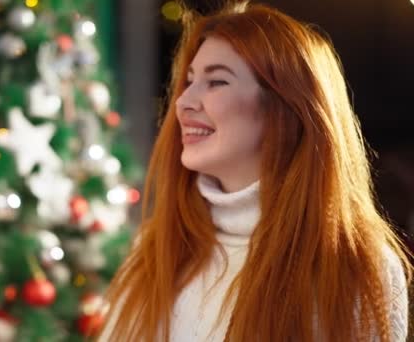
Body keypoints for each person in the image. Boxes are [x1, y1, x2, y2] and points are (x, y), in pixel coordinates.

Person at [96, 1, 412, 341]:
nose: (184, 102)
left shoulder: (354, 265)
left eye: (216, 82)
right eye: (189, 82)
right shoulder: (154, 249)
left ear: (287, 107)